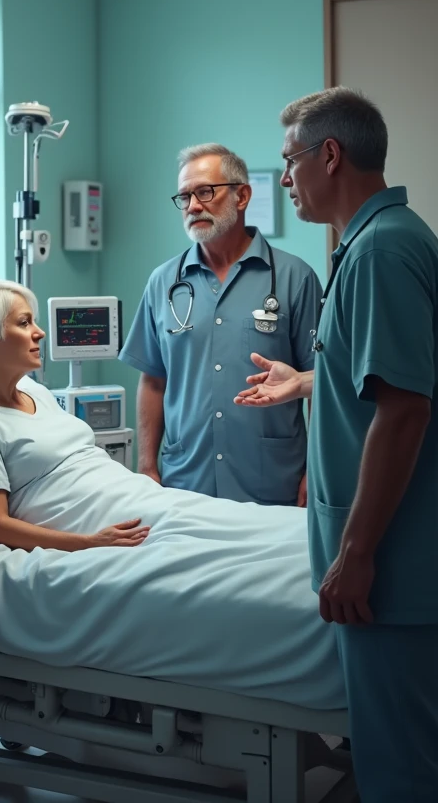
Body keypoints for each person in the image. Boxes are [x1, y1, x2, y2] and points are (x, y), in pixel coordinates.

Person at [0, 277, 345, 711]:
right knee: (239, 567)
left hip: (139, 499)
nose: (39, 332)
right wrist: (88, 544)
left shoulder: (36, 392)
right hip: (96, 524)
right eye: (24, 323)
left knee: (268, 532)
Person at [235, 87, 438, 802]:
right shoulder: (379, 243)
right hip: (397, 567)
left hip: (394, 572)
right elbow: (390, 377)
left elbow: (406, 411)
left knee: (403, 774)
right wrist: (310, 381)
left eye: (289, 161)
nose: (284, 179)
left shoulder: (381, 251)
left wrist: (354, 554)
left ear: (329, 155)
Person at [119, 142, 321, 504]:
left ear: (242, 196)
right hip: (185, 480)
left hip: (273, 481)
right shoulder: (163, 282)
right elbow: (152, 380)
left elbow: (318, 382)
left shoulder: (295, 278)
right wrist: (146, 466)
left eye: (205, 192)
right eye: (185, 197)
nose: (193, 206)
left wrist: (316, 471)